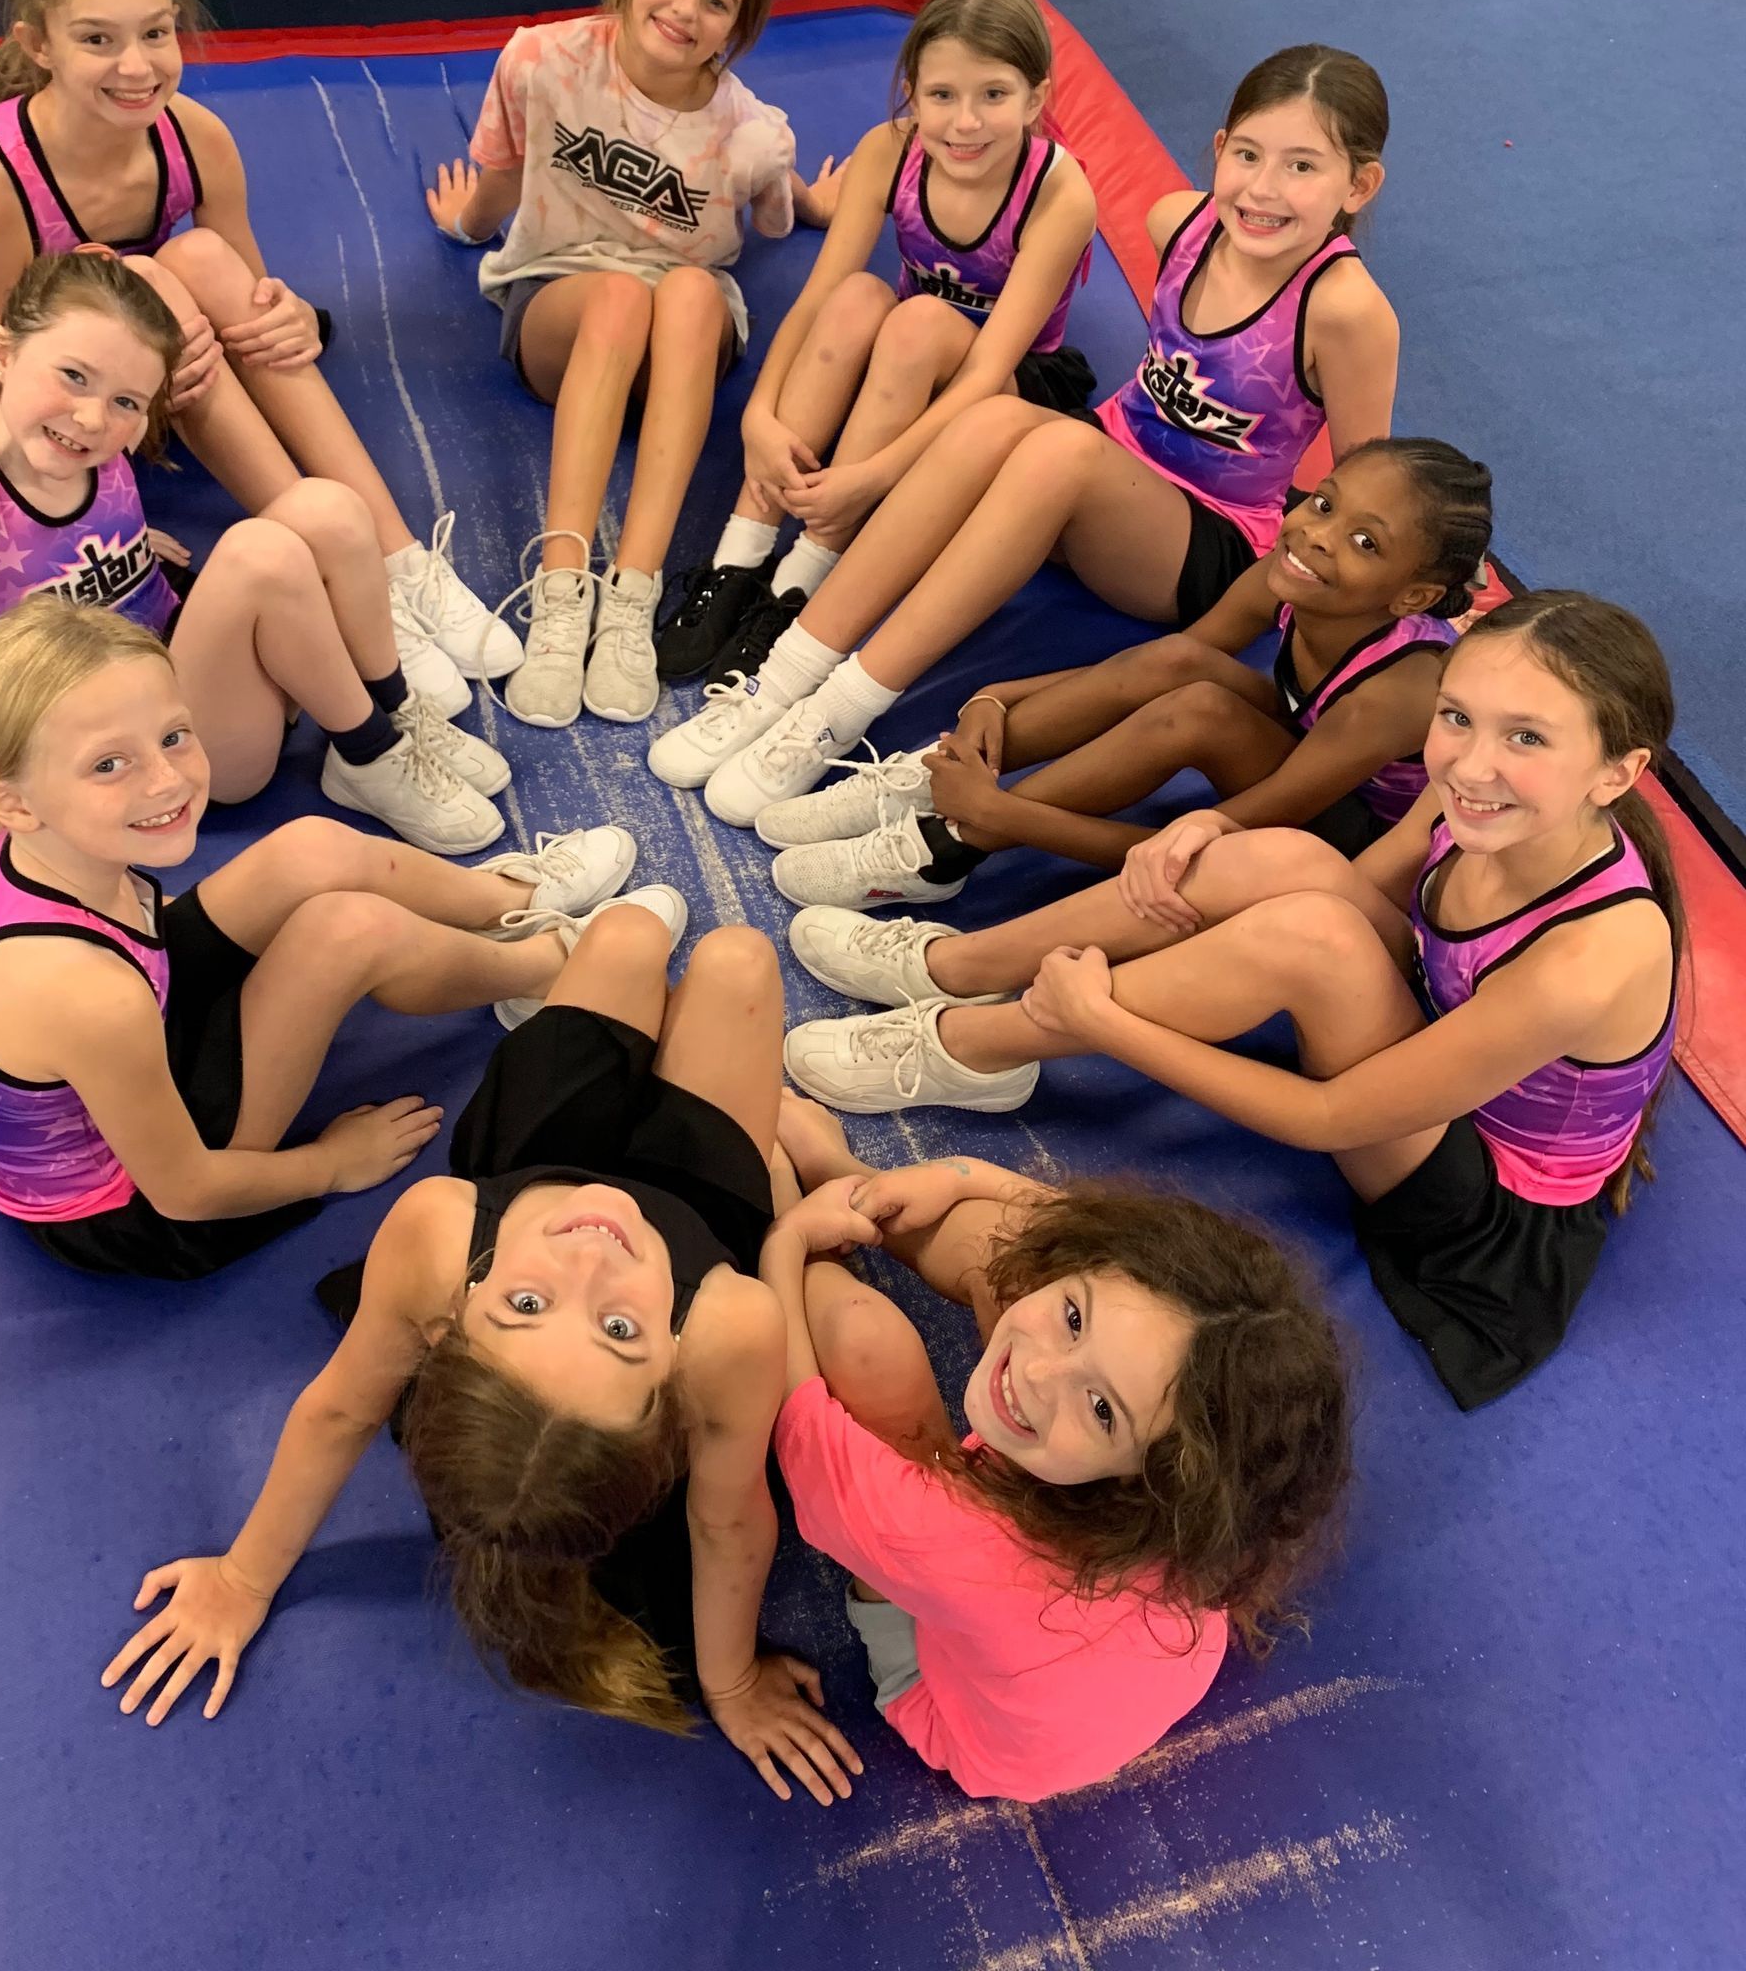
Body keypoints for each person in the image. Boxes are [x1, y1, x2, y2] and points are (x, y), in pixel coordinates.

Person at [784, 593, 1680, 1408]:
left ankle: (982, 1044)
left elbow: (1328, 1113)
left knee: (1312, 943)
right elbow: (1330, 890)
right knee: (1282, 862)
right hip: (1442, 1041)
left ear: (1615, 772)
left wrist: (1107, 1025)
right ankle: (960, 966)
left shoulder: (1590, 959)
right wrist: (1220, 834)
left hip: (1480, 1206)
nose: (1473, 762)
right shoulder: (1469, 804)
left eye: (1527, 738)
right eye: (1457, 718)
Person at [100, 909, 867, 1809]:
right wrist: (729, 1684)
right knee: (736, 961)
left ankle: (682, 1067)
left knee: (625, 935)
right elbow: (724, 1525)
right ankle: (752, 1135)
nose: (592, 1256)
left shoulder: (440, 1230)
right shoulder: (730, 1322)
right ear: (672, 1370)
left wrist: (243, 1577)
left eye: (529, 1307)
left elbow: (342, 1410)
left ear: (451, 1322)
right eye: (619, 1330)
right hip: (693, 1203)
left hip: (535, 1162)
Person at [647, 45, 1402, 827]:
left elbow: (1365, 489)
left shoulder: (1347, 310)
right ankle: (783, 674)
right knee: (997, 420)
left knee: (1058, 449)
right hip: (1099, 462)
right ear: (1218, 149)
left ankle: (834, 713)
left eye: (1303, 168)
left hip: (1201, 538)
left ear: (1359, 185)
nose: (1265, 189)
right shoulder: (1178, 222)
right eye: (1248, 155)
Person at [0, 597, 644, 1279]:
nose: (167, 781)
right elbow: (187, 1192)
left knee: (311, 849)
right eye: (108, 764)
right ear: (13, 801)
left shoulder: (35, 840)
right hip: (145, 1209)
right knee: (348, 930)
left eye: (173, 736)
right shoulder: (85, 993)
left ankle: (507, 898)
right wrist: (329, 1164)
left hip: (129, 1050)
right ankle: (544, 970)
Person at [0, 0, 516, 697]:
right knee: (141, 279)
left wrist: (292, 318)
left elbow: (249, 286)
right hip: (57, 400)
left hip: (175, 359)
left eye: (156, 33)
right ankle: (323, 557)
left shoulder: (194, 136)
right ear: (40, 46)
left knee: (195, 255)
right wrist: (92, 518)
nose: (137, 68)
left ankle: (395, 555)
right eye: (98, 39)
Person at [759, 1093, 1349, 1800]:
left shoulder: (958, 1547)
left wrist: (787, 1241)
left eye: (1102, 1409)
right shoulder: (1199, 1499)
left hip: (949, 1699)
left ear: (1148, 1480)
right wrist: (958, 1176)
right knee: (1005, 1249)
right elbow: (1070, 1233)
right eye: (1073, 1317)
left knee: (862, 1338)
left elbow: (802, 1426)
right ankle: (847, 1181)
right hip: (1070, 1632)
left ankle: (828, 1222)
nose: (1037, 1373)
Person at [0, 250, 505, 851]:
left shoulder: (88, 449)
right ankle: (368, 756)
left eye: (126, 401)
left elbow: (60, 544)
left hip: (183, 669)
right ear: (1, 353)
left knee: (325, 507)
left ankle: (391, 708)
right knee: (259, 553)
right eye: (73, 376)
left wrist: (119, 540)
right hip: (134, 753)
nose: (93, 417)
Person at [760, 438, 1491, 910]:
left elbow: (1224, 837)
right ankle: (933, 775)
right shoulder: (1290, 571)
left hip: (1354, 847)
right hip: (1308, 750)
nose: (1316, 536)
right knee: (1185, 668)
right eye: (1324, 503)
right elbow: (1151, 670)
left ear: (1414, 597)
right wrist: (993, 699)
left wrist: (1011, 819)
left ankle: (948, 842)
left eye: (1363, 541)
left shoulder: (1399, 693)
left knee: (1204, 712)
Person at [426, 0, 829, 728]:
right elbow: (502, 173)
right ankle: (564, 590)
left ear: (737, 29)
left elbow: (773, 191)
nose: (685, 9)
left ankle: (630, 602)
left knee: (683, 292)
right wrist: (464, 224)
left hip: (685, 335)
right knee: (616, 298)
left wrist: (817, 204)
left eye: (716, 1)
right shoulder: (542, 62)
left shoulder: (748, 129)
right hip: (564, 307)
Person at [655, 0, 1097, 691]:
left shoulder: (1059, 193)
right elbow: (817, 300)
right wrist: (760, 422)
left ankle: (806, 577)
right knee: (861, 295)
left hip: (1005, 378)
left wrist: (870, 479)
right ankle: (741, 554)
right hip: (900, 357)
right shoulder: (889, 151)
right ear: (913, 93)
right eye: (942, 97)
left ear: (1036, 99)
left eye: (993, 96)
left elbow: (987, 370)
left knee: (919, 319)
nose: (965, 123)